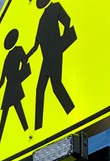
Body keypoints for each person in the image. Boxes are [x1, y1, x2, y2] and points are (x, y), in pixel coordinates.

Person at [27, 0, 76, 131]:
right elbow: (36, 45)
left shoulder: (56, 7)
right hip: (45, 58)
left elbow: (67, 21)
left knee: (56, 86)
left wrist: (60, 45)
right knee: (40, 89)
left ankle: (72, 113)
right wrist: (27, 56)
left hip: (54, 53)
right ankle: (38, 127)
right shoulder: (41, 19)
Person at [0, 28, 31, 145]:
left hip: (14, 84)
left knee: (19, 110)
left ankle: (28, 132)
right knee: (6, 113)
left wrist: (19, 75)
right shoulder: (6, 58)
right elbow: (2, 79)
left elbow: (24, 62)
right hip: (9, 88)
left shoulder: (19, 50)